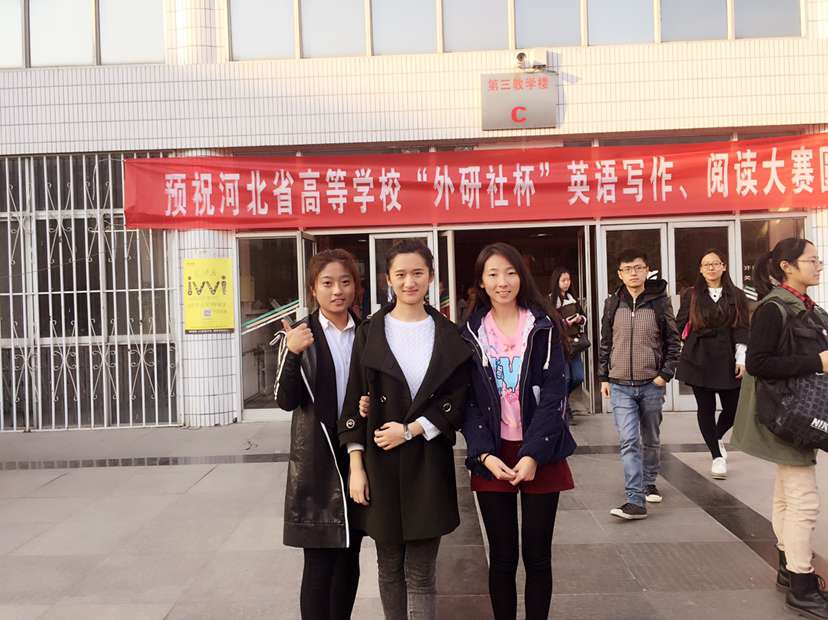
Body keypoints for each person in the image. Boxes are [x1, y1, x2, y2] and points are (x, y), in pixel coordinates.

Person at [338, 239, 471, 620]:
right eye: (401, 274)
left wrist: (412, 429)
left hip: (429, 461)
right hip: (380, 463)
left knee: (422, 573)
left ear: (431, 278)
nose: (409, 282)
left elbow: (458, 399)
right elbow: (354, 399)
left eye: (417, 273)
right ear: (388, 280)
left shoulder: (449, 334)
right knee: (389, 567)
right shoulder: (370, 331)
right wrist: (356, 467)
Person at [462, 242, 576, 620]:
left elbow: (555, 394)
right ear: (481, 281)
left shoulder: (542, 326)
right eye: (493, 274)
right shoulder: (471, 332)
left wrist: (532, 454)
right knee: (502, 557)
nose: (503, 282)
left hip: (540, 451)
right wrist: (483, 454)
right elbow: (468, 402)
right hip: (493, 454)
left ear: (521, 277)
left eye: (510, 273)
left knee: (538, 556)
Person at [732, 238, 828, 619]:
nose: (818, 266)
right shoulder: (773, 308)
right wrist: (817, 362)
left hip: (793, 412)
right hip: (786, 414)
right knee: (803, 499)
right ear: (787, 266)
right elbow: (758, 364)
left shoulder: (806, 306)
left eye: (819, 260)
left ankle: (789, 566)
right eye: (811, 260)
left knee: (788, 493)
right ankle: (802, 585)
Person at [273, 249, 365, 620]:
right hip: (316, 459)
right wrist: (293, 353)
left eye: (345, 282)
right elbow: (285, 400)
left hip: (357, 457)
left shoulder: (367, 332)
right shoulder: (301, 334)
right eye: (327, 283)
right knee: (319, 562)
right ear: (313, 289)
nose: (337, 291)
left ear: (356, 287)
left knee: (350, 556)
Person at [599, 249, 681, 520]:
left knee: (651, 438)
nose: (633, 273)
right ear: (620, 274)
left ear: (647, 270)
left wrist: (664, 375)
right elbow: (606, 342)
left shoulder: (659, 303)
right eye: (627, 269)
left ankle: (649, 481)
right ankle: (635, 499)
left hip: (651, 383)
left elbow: (673, 341)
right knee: (629, 440)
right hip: (620, 384)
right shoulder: (613, 303)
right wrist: (603, 376)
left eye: (638, 267)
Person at [676, 249, 749, 480]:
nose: (711, 268)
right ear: (700, 269)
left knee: (734, 409)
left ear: (723, 266)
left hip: (728, 356)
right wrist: (687, 342)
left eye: (715, 263)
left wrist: (741, 358)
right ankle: (716, 456)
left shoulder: (737, 295)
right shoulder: (691, 294)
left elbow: (742, 326)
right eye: (706, 264)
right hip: (699, 356)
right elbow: (680, 323)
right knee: (705, 408)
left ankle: (715, 437)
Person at [550, 266, 588, 425]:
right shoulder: (550, 301)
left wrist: (580, 319)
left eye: (568, 280)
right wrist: (565, 323)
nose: (567, 283)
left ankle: (564, 400)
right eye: (563, 280)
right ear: (556, 282)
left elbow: (584, 317)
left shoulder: (573, 299)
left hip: (575, 344)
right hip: (560, 345)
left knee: (578, 377)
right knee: (565, 378)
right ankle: (565, 409)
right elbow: (550, 323)